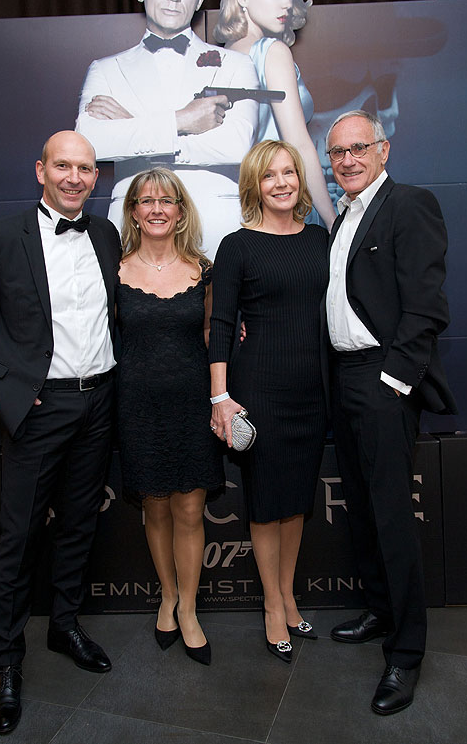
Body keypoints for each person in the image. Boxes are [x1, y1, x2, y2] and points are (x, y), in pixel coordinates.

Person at [0, 131, 121, 735]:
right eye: (63, 165)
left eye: (86, 168)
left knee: (78, 522)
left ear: (96, 179)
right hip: (38, 412)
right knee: (17, 538)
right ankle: (7, 663)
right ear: (39, 170)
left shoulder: (104, 234)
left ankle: (64, 624)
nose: (74, 177)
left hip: (99, 403)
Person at [325, 110, 457, 714]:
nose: (347, 160)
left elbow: (425, 309)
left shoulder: (410, 205)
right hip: (343, 379)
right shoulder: (344, 218)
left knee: (392, 517)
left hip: (382, 381)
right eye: (337, 153)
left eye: (358, 148)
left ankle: (406, 654)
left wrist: (392, 383)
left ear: (384, 150)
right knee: (362, 507)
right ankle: (380, 612)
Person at [209, 139, 328, 663]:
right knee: (266, 501)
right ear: (255, 185)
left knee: (297, 500)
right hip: (259, 389)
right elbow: (220, 325)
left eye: (290, 172)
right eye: (270, 175)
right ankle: (272, 607)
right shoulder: (237, 245)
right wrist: (221, 395)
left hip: (312, 389)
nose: (282, 182)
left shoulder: (321, 241)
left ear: (300, 179)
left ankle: (290, 594)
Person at [76, 0, 259, 258]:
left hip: (216, 227)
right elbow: (90, 143)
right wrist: (183, 120)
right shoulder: (105, 70)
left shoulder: (238, 65)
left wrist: (133, 126)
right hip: (133, 228)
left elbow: (235, 146)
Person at [117, 167, 224, 666]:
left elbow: (213, 338)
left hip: (190, 406)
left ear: (181, 210)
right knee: (155, 508)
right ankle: (167, 596)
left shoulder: (204, 269)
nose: (156, 208)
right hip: (137, 407)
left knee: (188, 510)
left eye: (167, 200)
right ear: (133, 212)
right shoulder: (112, 271)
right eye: (146, 200)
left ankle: (191, 609)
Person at [214, 0, 336, 230]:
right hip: (283, 207)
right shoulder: (272, 51)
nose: (287, 5)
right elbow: (299, 142)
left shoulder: (222, 57)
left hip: (244, 208)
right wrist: (332, 221)